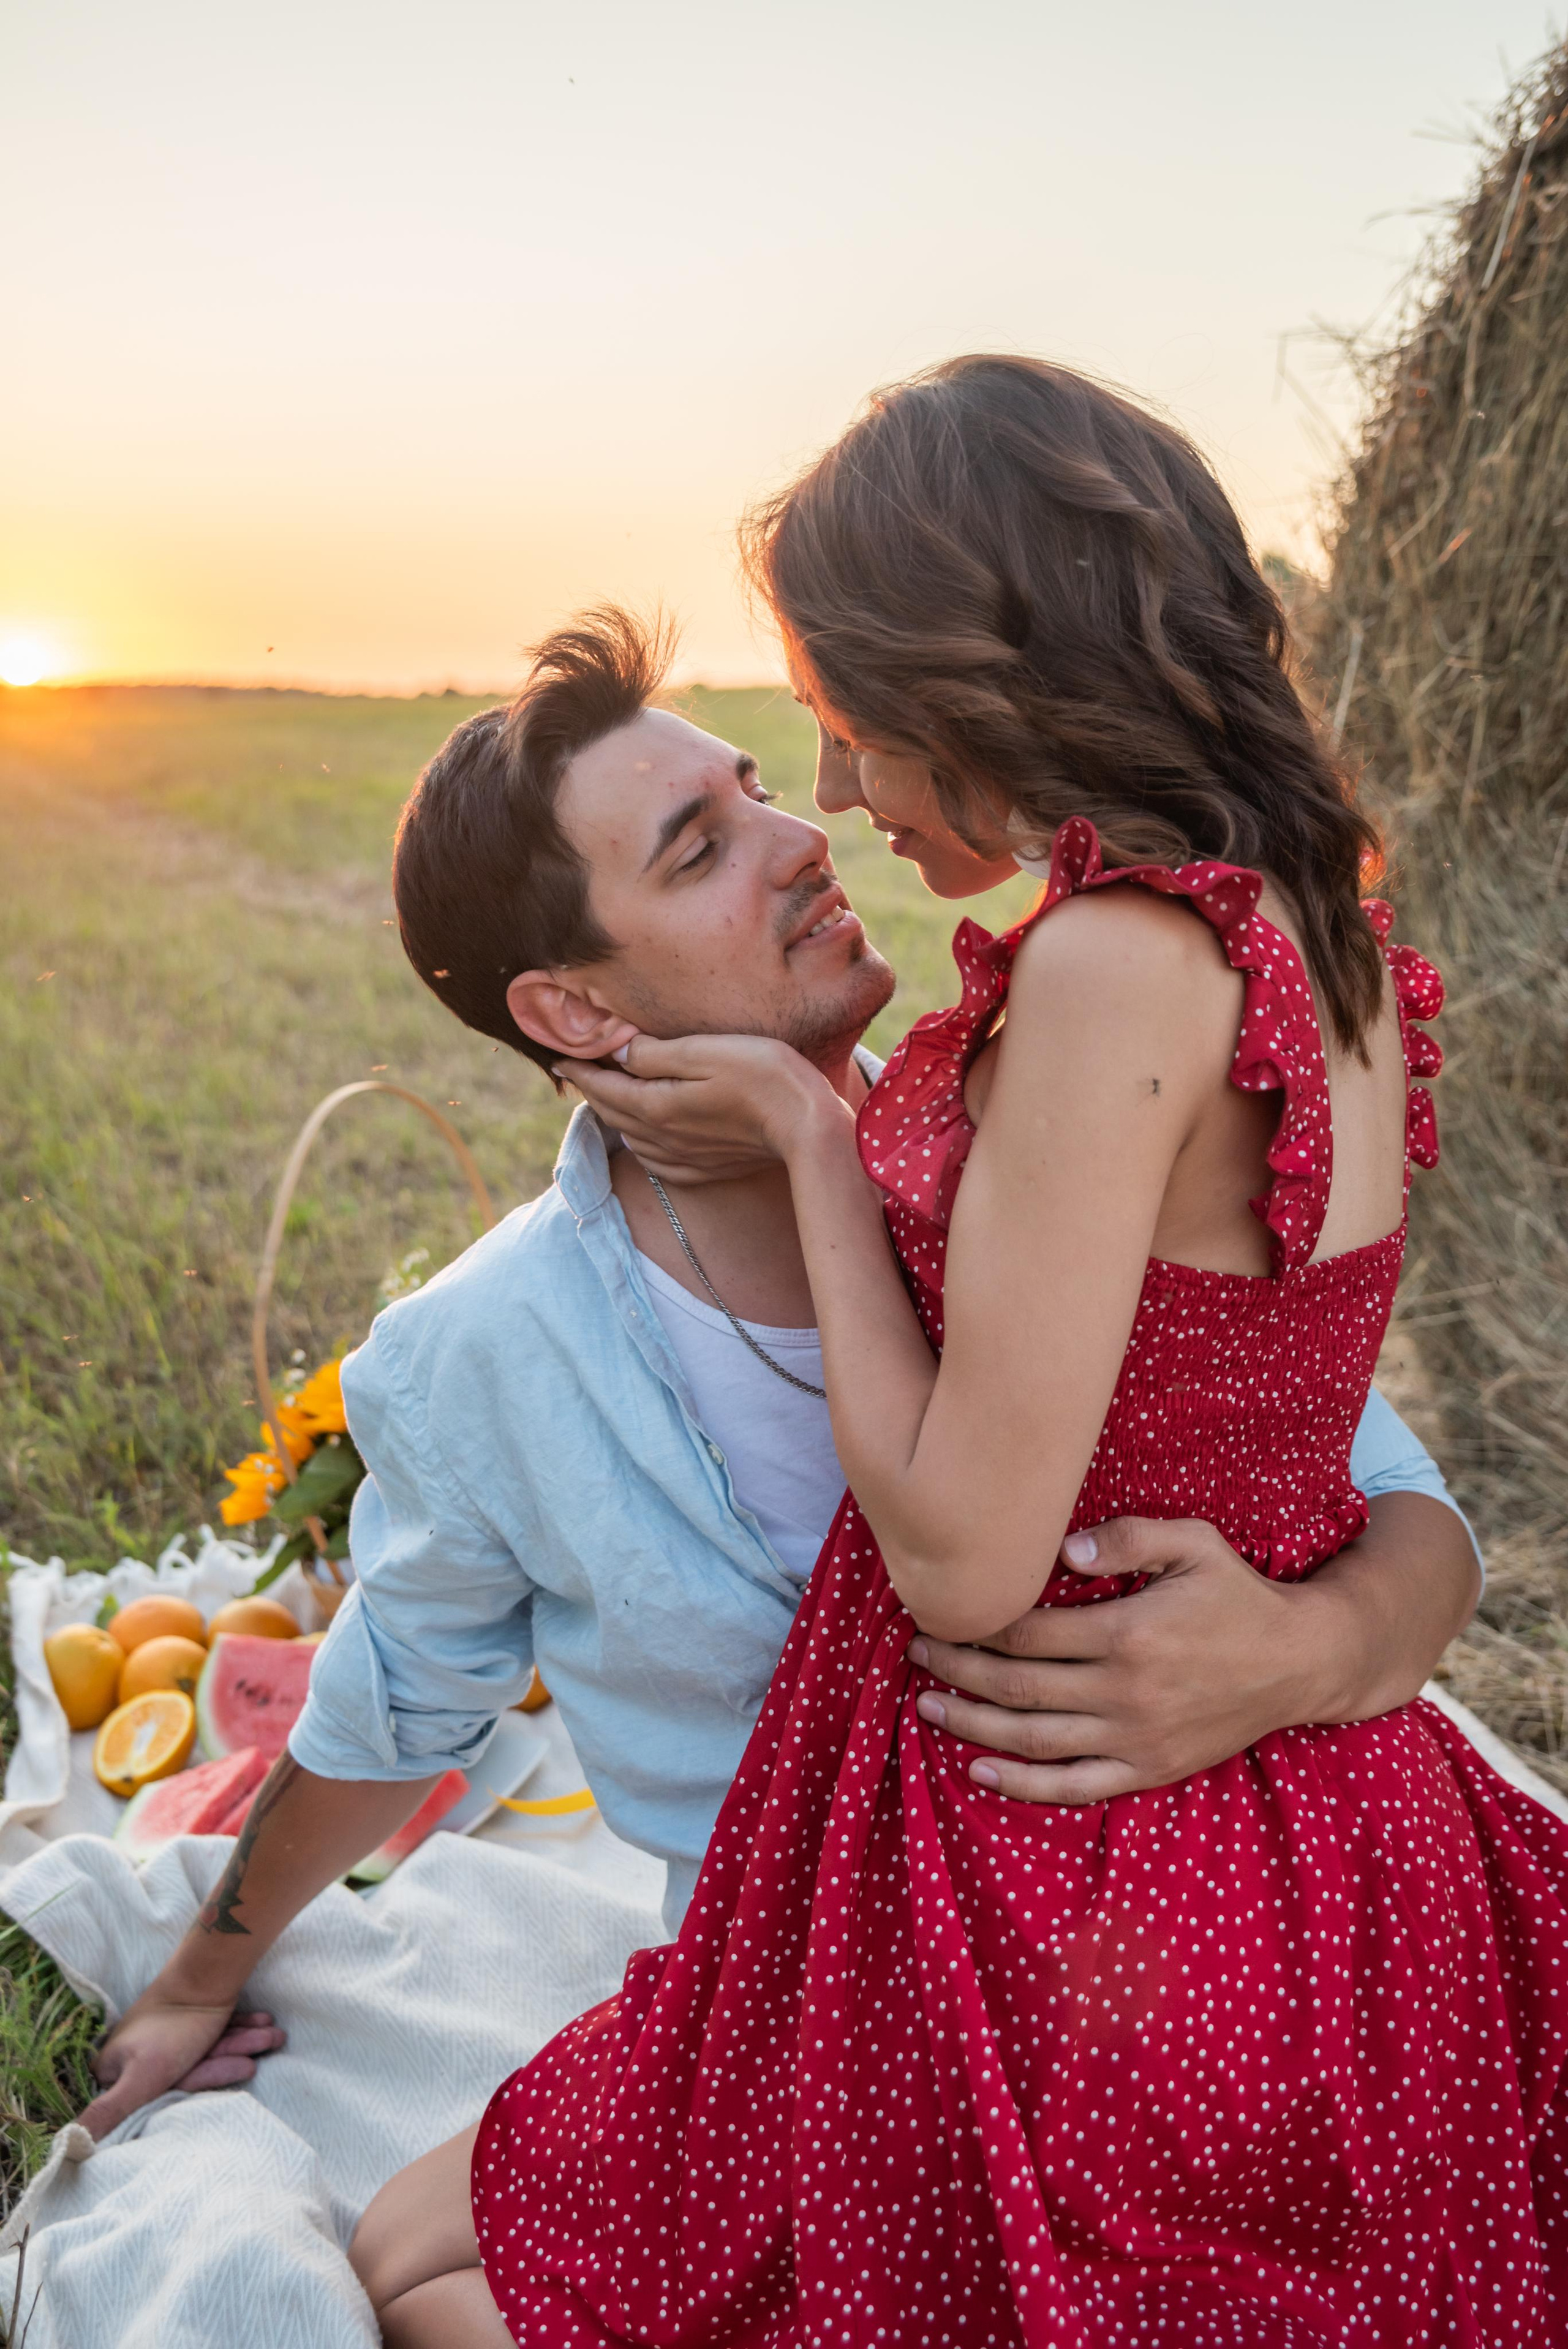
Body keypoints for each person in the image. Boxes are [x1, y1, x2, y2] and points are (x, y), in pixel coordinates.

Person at [368, 362, 1566, 2347]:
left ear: (979, 681)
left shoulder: (1112, 970)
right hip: (1285, 1833)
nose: (836, 797)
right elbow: (1257, 1385)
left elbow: (959, 1561)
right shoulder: (1304, 928)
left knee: (432, 2285)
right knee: (453, 2229)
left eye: (841, 730)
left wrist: (816, 1138)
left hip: (1074, 1865)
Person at [85, 613, 1471, 2304]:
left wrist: (1324, 1640)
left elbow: (1377, 1472)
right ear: (573, 1007)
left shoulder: (1038, 1143)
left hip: (1145, 1934)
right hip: (798, 1985)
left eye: (757, 792)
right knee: (411, 2264)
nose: (806, 838)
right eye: (704, 847)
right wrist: (192, 1972)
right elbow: (395, 1703)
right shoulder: (495, 1354)